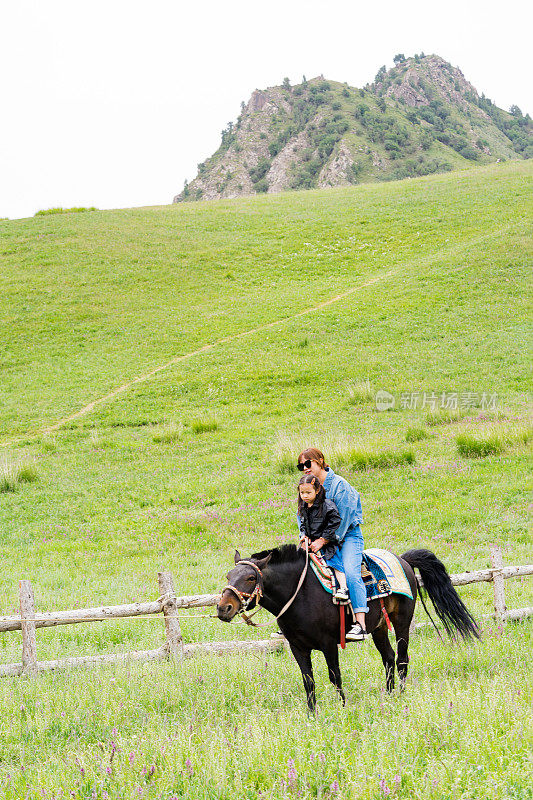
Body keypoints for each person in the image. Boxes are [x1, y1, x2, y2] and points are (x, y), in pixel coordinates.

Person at [297, 447, 369, 640]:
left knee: (352, 573)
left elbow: (343, 519)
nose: (305, 468)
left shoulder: (339, 485)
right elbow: (301, 514)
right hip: (318, 540)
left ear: (320, 460)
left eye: (308, 463)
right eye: (301, 465)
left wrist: (323, 540)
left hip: (347, 537)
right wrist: (304, 536)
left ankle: (360, 624)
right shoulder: (307, 486)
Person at [297, 474, 349, 600]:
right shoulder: (303, 507)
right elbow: (303, 525)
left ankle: (343, 588)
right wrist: (304, 536)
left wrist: (324, 538)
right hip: (311, 543)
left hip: (328, 543)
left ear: (317, 490)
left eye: (308, 492)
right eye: (302, 493)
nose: (305, 496)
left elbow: (335, 523)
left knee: (334, 561)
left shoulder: (327, 506)